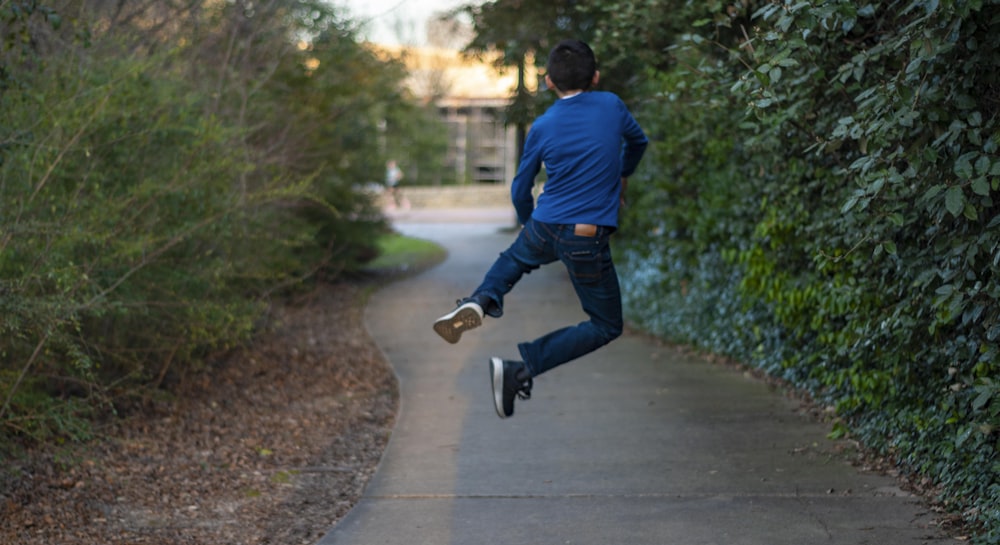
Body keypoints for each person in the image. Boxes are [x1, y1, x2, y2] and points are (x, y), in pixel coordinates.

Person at [432, 39, 648, 419]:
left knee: (515, 257)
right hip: (585, 234)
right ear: (596, 77)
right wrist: (622, 176)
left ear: (549, 82)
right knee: (605, 325)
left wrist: (527, 222)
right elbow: (638, 142)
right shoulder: (611, 105)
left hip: (546, 222)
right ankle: (520, 370)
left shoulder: (543, 125)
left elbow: (520, 187)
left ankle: (481, 299)